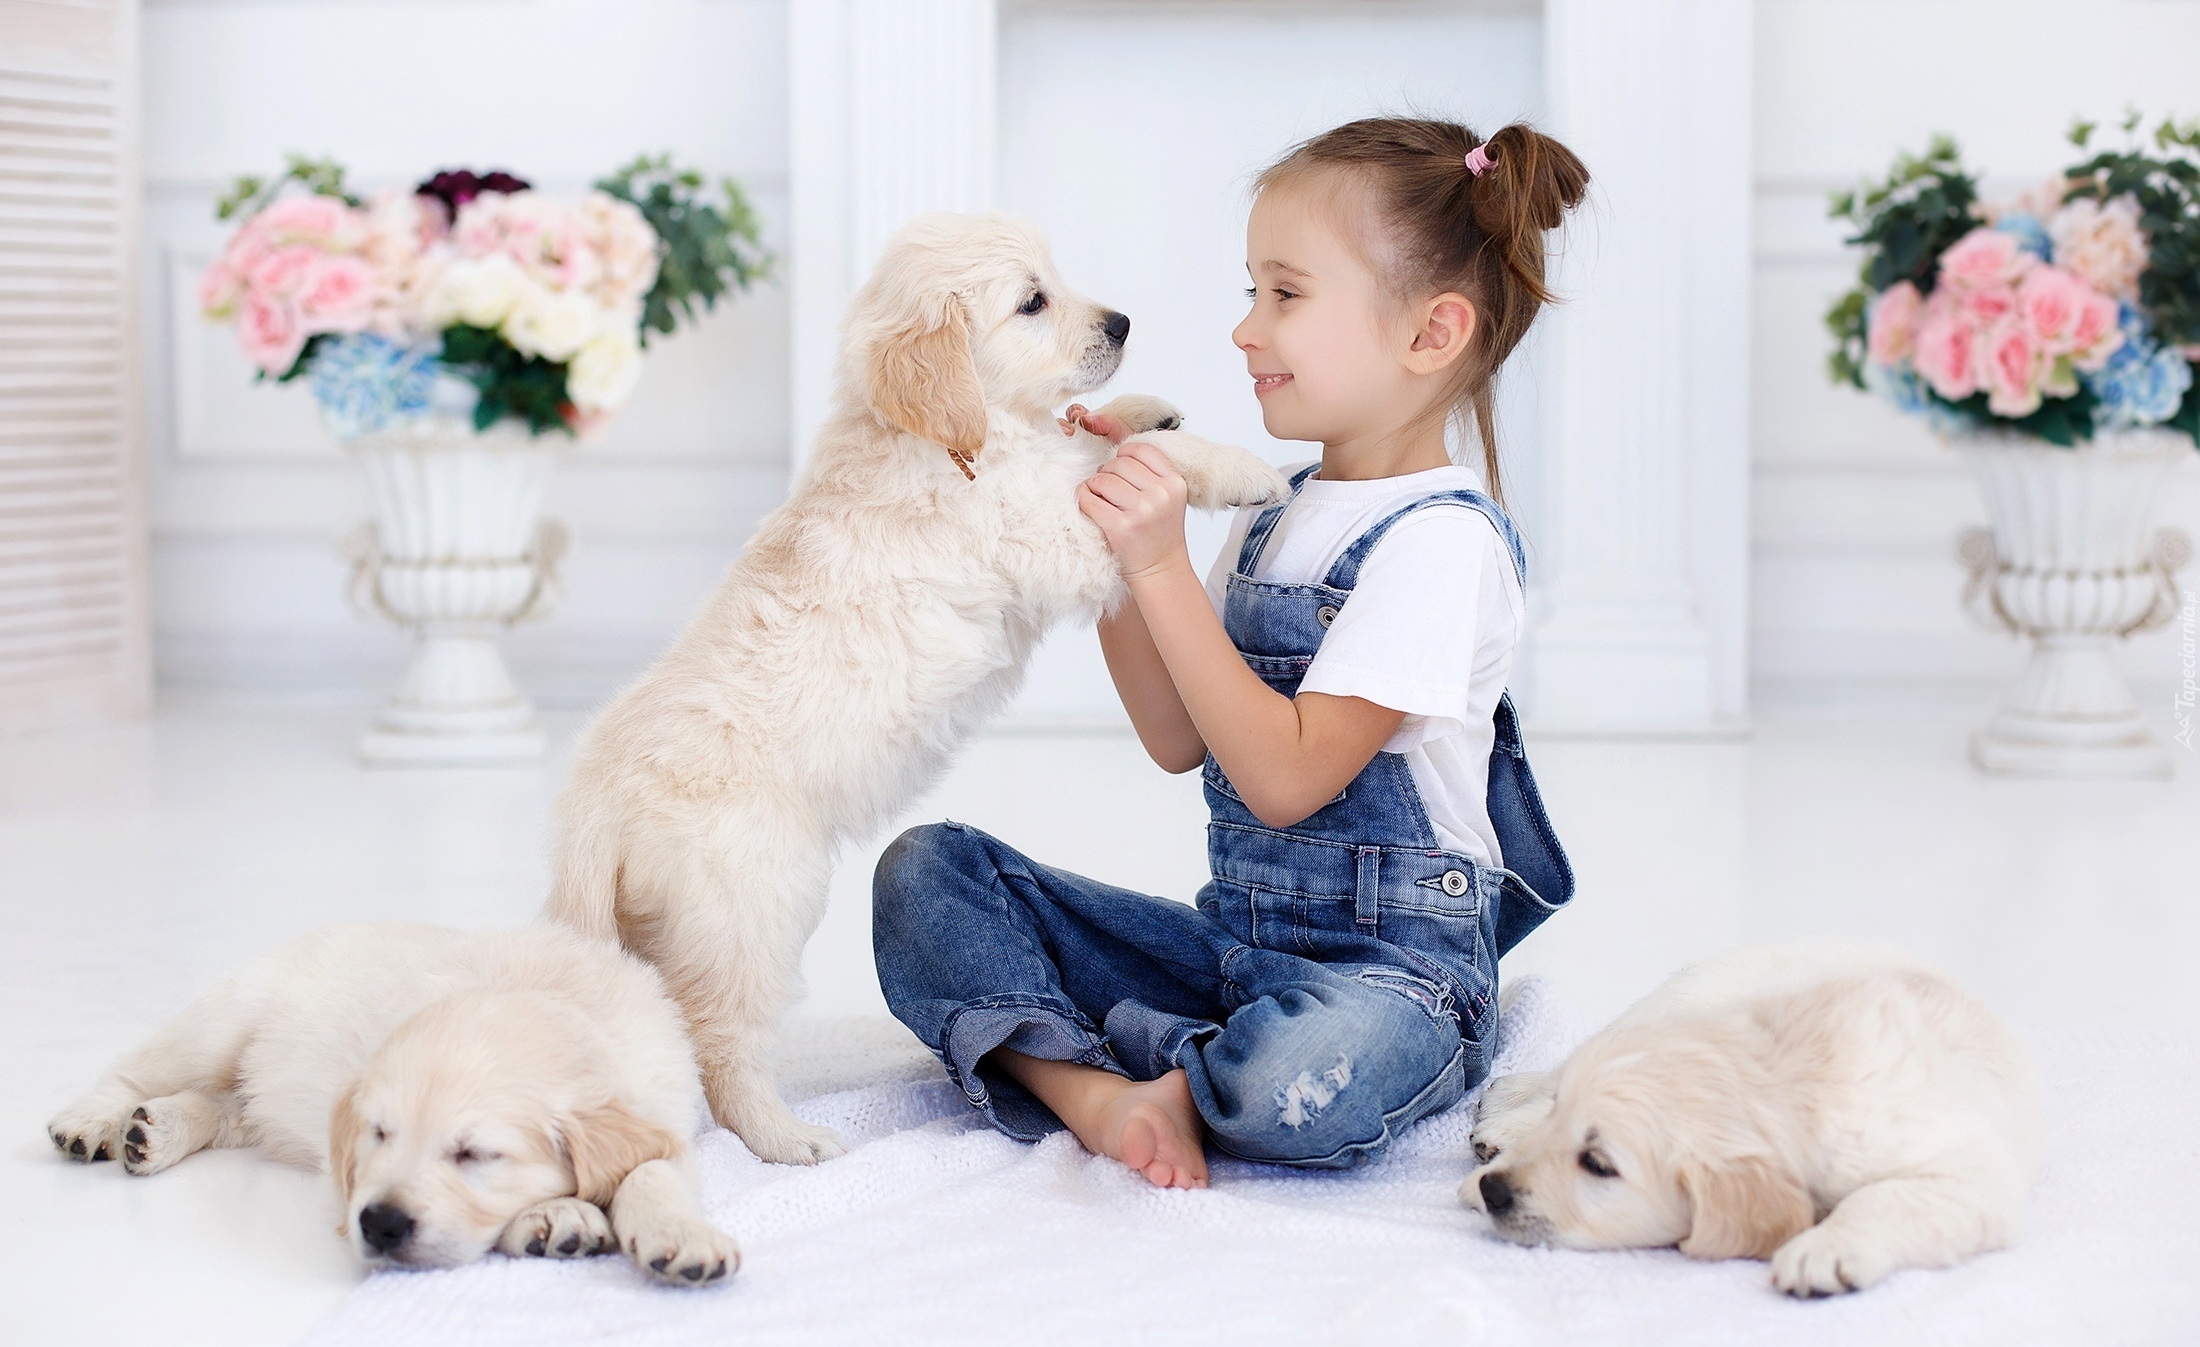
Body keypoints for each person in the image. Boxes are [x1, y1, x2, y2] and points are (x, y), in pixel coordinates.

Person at [872, 117, 1587, 1188]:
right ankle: (1109, 1093)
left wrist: (1162, 566)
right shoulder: (1275, 509)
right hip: (1239, 954)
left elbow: (1288, 779)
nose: (1247, 331)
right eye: (1250, 292)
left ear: (1431, 334)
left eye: (1284, 296)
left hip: (1391, 979)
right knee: (929, 875)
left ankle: (1131, 1064)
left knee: (1297, 1076)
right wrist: (1111, 542)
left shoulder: (1441, 540)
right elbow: (1174, 736)